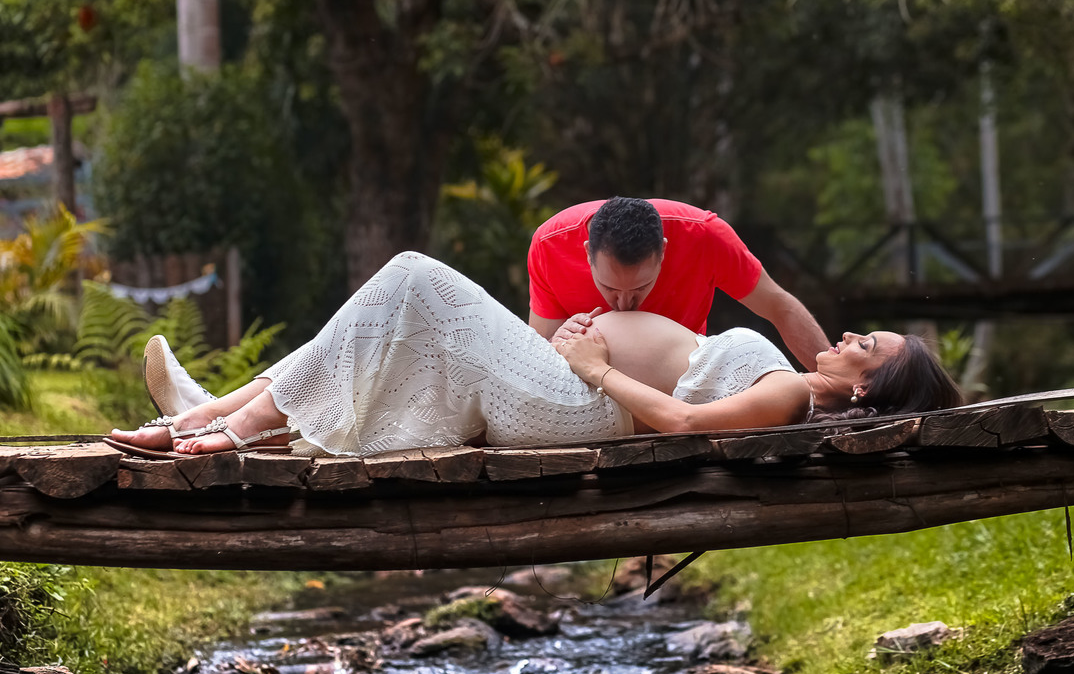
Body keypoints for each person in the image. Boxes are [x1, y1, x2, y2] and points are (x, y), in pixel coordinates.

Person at [106, 252, 960, 459]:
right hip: (570, 383)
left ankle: (231, 423)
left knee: (414, 280)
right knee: (397, 314)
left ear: (870, 388)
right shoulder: (787, 376)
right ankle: (213, 411)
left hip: (578, 404)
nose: (849, 337)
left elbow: (683, 422)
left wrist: (597, 368)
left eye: (867, 347)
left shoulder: (787, 400)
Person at [527, 197, 832, 372]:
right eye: (609, 288)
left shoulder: (704, 237)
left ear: (664, 251)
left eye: (640, 288)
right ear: (586, 254)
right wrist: (558, 339)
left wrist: (835, 382)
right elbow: (538, 355)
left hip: (686, 384)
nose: (623, 306)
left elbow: (779, 306)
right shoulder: (549, 246)